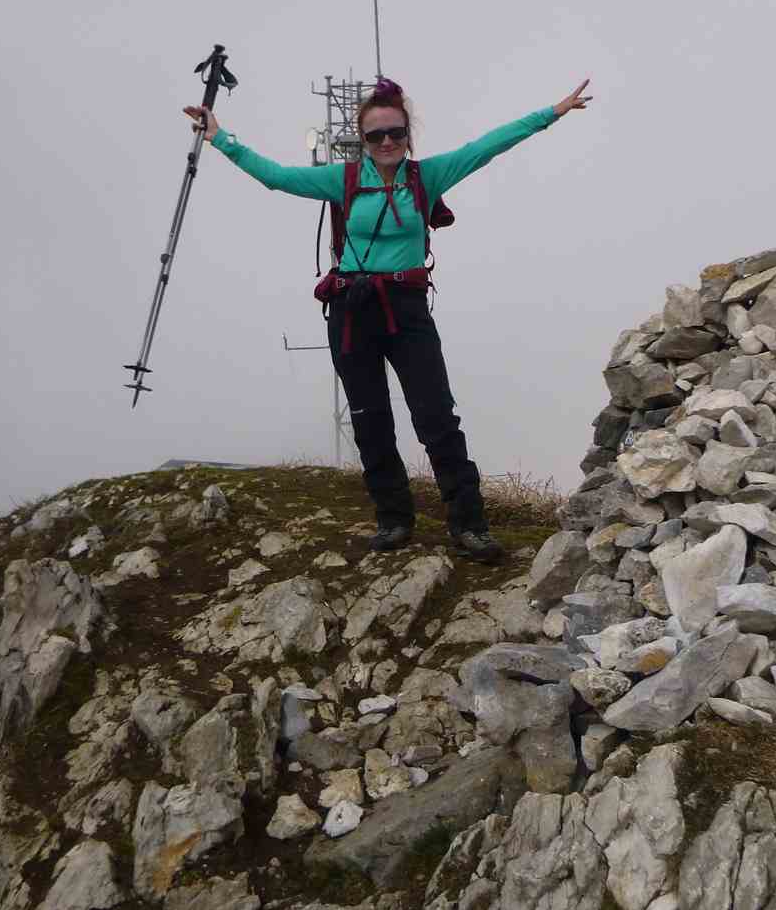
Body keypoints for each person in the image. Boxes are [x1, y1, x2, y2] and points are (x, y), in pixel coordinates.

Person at [185, 76, 592, 562]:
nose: (385, 143)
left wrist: (552, 112)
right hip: (351, 309)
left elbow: (488, 147)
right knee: (369, 418)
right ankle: (394, 520)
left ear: (407, 134)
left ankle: (469, 524)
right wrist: (219, 136)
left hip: (407, 307)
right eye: (374, 136)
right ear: (362, 140)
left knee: (436, 415)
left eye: (394, 133)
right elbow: (274, 176)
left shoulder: (427, 177)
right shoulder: (344, 179)